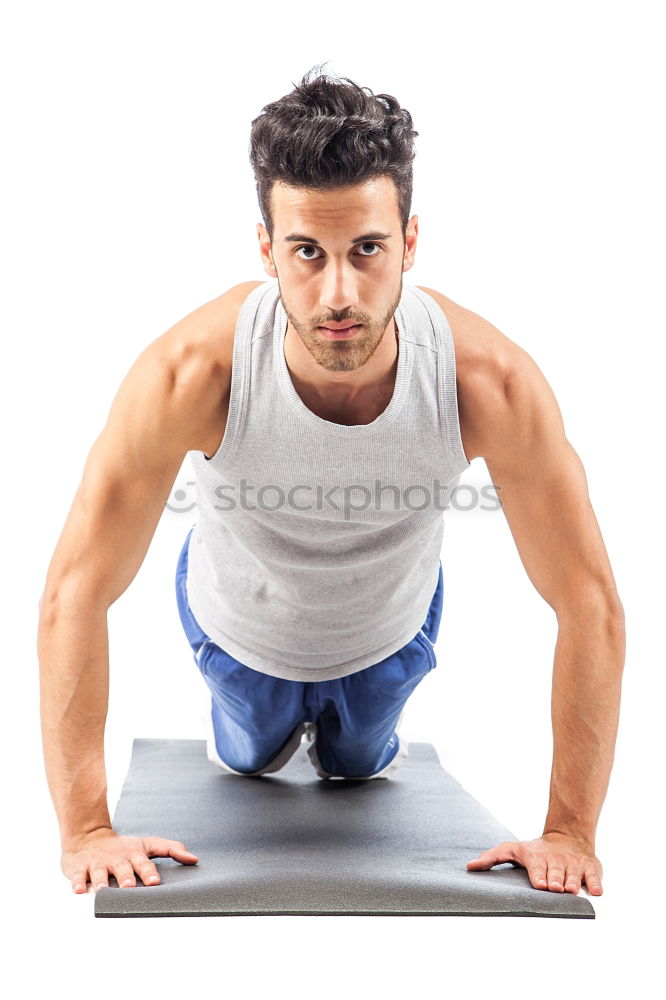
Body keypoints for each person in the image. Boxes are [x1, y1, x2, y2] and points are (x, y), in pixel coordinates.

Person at [38, 65, 625, 900]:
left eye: (368, 250)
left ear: (410, 243)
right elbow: (74, 590)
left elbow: (590, 601)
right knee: (249, 756)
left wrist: (570, 829)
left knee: (358, 767)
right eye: (308, 253)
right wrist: (86, 829)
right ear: (266, 247)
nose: (339, 293)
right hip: (237, 631)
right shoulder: (191, 373)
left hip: (390, 630)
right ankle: (257, 729)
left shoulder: (488, 383)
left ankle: (354, 743)